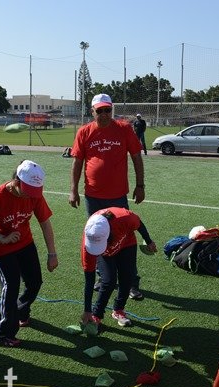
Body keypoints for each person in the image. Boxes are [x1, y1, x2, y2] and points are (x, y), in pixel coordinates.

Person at [69, 93, 146, 300]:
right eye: (99, 111)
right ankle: (104, 277)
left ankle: (130, 282)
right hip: (93, 197)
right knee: (96, 236)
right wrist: (73, 190)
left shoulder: (123, 129)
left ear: (112, 110)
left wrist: (140, 185)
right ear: (92, 111)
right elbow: (77, 163)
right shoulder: (84, 132)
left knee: (126, 239)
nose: (104, 114)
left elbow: (137, 157)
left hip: (118, 197)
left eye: (107, 110)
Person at [0, 160, 58, 347]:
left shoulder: (34, 195)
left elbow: (45, 222)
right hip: (1, 247)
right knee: (11, 285)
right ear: (16, 182)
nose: (30, 196)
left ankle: (21, 311)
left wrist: (52, 253)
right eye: (27, 190)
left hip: (24, 243)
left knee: (35, 281)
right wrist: (2, 238)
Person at [80, 207, 156, 331]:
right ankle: (96, 315)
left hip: (127, 244)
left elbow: (139, 224)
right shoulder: (88, 244)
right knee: (108, 281)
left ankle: (118, 310)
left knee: (127, 276)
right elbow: (89, 279)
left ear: (109, 233)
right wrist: (87, 310)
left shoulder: (124, 217)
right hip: (106, 254)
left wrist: (148, 241)